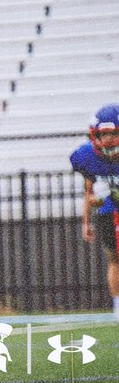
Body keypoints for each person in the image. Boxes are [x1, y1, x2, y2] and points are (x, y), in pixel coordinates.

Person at [70, 105, 119, 323]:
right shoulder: (86, 157)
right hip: (108, 212)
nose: (108, 140)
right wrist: (86, 220)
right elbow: (89, 193)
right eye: (103, 134)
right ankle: (118, 306)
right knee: (115, 259)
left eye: (113, 133)